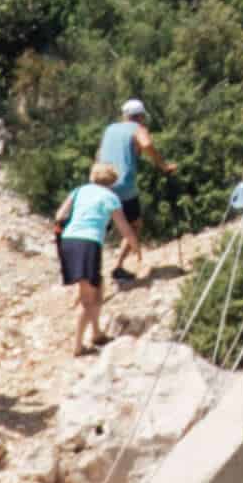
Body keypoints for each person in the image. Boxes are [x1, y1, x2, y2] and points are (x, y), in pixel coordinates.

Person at [55, 159, 129, 352]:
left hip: (69, 240)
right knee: (88, 297)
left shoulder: (79, 191)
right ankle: (77, 345)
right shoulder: (110, 197)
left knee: (98, 286)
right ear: (112, 181)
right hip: (88, 243)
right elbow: (124, 227)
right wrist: (135, 246)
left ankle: (96, 333)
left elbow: (60, 216)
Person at [93, 98, 154, 281]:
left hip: (102, 183)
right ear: (141, 117)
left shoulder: (110, 129)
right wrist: (162, 164)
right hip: (124, 186)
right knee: (134, 225)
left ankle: (92, 270)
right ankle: (118, 267)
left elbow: (98, 154)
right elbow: (147, 144)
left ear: (124, 115)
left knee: (99, 229)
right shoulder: (139, 129)